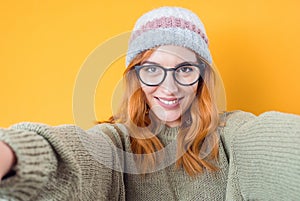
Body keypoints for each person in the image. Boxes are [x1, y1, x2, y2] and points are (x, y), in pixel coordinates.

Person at [0, 6, 299, 201]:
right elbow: (76, 158)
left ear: (201, 76)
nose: (169, 88)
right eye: (152, 69)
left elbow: (275, 145)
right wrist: (14, 156)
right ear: (135, 77)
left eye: (184, 69)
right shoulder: (116, 144)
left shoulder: (232, 134)